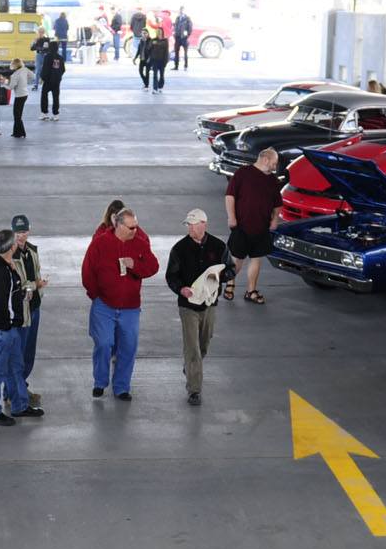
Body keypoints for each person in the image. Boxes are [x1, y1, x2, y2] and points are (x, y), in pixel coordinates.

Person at [81, 207, 159, 400]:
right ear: (119, 225)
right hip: (104, 306)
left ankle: (122, 387)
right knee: (104, 343)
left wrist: (135, 265)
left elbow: (153, 267)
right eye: (131, 227)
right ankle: (100, 382)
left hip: (130, 308)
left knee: (128, 346)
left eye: (136, 227)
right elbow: (87, 272)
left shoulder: (140, 243)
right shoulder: (100, 243)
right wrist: (96, 296)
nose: (135, 231)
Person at [165, 209, 231, 406]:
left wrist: (220, 278)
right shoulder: (179, 249)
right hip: (188, 306)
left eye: (194, 224)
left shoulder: (218, 246)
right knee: (192, 347)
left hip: (210, 304)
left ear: (204, 224)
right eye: (189, 224)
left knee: (204, 342)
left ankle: (192, 366)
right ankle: (194, 389)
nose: (190, 228)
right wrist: (181, 289)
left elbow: (231, 268)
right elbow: (171, 276)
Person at [0, 230, 39, 426]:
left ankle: (20, 405)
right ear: (11, 247)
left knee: (15, 367)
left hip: (8, 328)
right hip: (0, 329)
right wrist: (8, 327)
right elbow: (0, 305)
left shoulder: (5, 265)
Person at [225, 148, 283, 305]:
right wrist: (231, 217)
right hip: (242, 225)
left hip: (262, 227)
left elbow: (277, 203)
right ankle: (230, 282)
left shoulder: (272, 180)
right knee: (237, 259)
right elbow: (230, 196)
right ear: (265, 159)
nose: (275, 167)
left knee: (256, 258)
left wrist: (274, 219)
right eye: (274, 163)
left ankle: (251, 291)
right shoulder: (243, 173)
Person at [9, 215, 46, 411]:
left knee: (28, 354)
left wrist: (38, 289)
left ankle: (19, 388)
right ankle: (14, 392)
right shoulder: (10, 255)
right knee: (18, 355)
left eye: (23, 232)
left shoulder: (32, 251)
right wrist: (35, 285)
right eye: (17, 232)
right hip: (20, 313)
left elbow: (36, 273)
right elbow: (17, 285)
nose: (21, 236)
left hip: (34, 308)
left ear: (29, 230)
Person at [38, 42, 64, 121]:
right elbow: (63, 69)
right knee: (56, 97)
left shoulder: (47, 57)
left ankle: (44, 113)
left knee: (44, 95)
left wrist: (42, 78)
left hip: (48, 80)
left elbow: (45, 69)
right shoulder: (60, 57)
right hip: (56, 81)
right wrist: (58, 76)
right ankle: (56, 114)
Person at [8, 59, 31, 138]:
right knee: (17, 114)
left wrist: (4, 83)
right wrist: (25, 80)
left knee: (17, 115)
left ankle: (22, 133)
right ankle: (16, 132)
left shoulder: (14, 75)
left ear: (14, 65)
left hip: (19, 96)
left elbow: (11, 87)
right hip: (25, 94)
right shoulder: (25, 69)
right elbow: (33, 76)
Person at [129, 7, 148, 75]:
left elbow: (131, 25)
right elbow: (145, 25)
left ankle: (134, 59)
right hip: (142, 33)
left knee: (135, 46)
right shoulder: (144, 16)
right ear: (141, 10)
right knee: (142, 46)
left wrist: (133, 30)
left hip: (135, 33)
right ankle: (142, 59)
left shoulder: (133, 16)